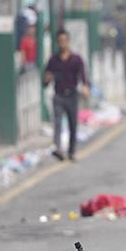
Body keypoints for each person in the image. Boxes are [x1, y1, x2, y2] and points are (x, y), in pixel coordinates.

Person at [44, 29, 91, 161]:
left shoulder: (76, 59)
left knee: (72, 124)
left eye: (64, 41)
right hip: (58, 95)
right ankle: (58, 148)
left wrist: (85, 86)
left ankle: (71, 151)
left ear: (68, 41)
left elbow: (83, 75)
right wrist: (47, 79)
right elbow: (46, 79)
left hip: (72, 95)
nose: (62, 43)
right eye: (60, 41)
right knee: (58, 122)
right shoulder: (53, 60)